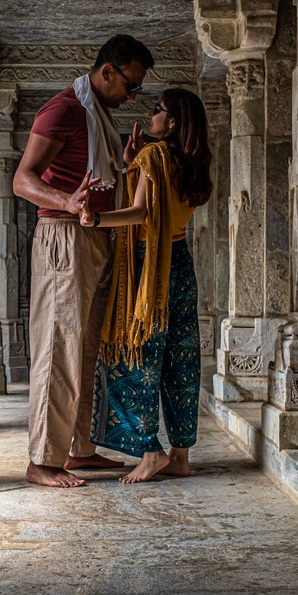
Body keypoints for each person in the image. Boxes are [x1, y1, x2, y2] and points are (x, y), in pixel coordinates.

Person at [13, 35, 155, 488]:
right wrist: (65, 201)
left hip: (92, 237)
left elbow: (102, 183)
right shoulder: (64, 110)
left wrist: (126, 164)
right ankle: (41, 459)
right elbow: (22, 179)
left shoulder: (99, 120)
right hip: (63, 236)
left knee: (86, 348)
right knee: (57, 348)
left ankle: (77, 449)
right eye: (129, 85)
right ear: (107, 71)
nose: (131, 97)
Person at [79, 88, 213, 483]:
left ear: (172, 123)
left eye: (157, 110)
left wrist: (96, 220)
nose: (150, 115)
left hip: (147, 268)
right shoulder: (191, 163)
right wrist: (130, 163)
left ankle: (149, 450)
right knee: (181, 360)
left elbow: (140, 212)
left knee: (132, 356)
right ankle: (181, 455)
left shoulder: (154, 156)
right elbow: (161, 204)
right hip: (179, 264)